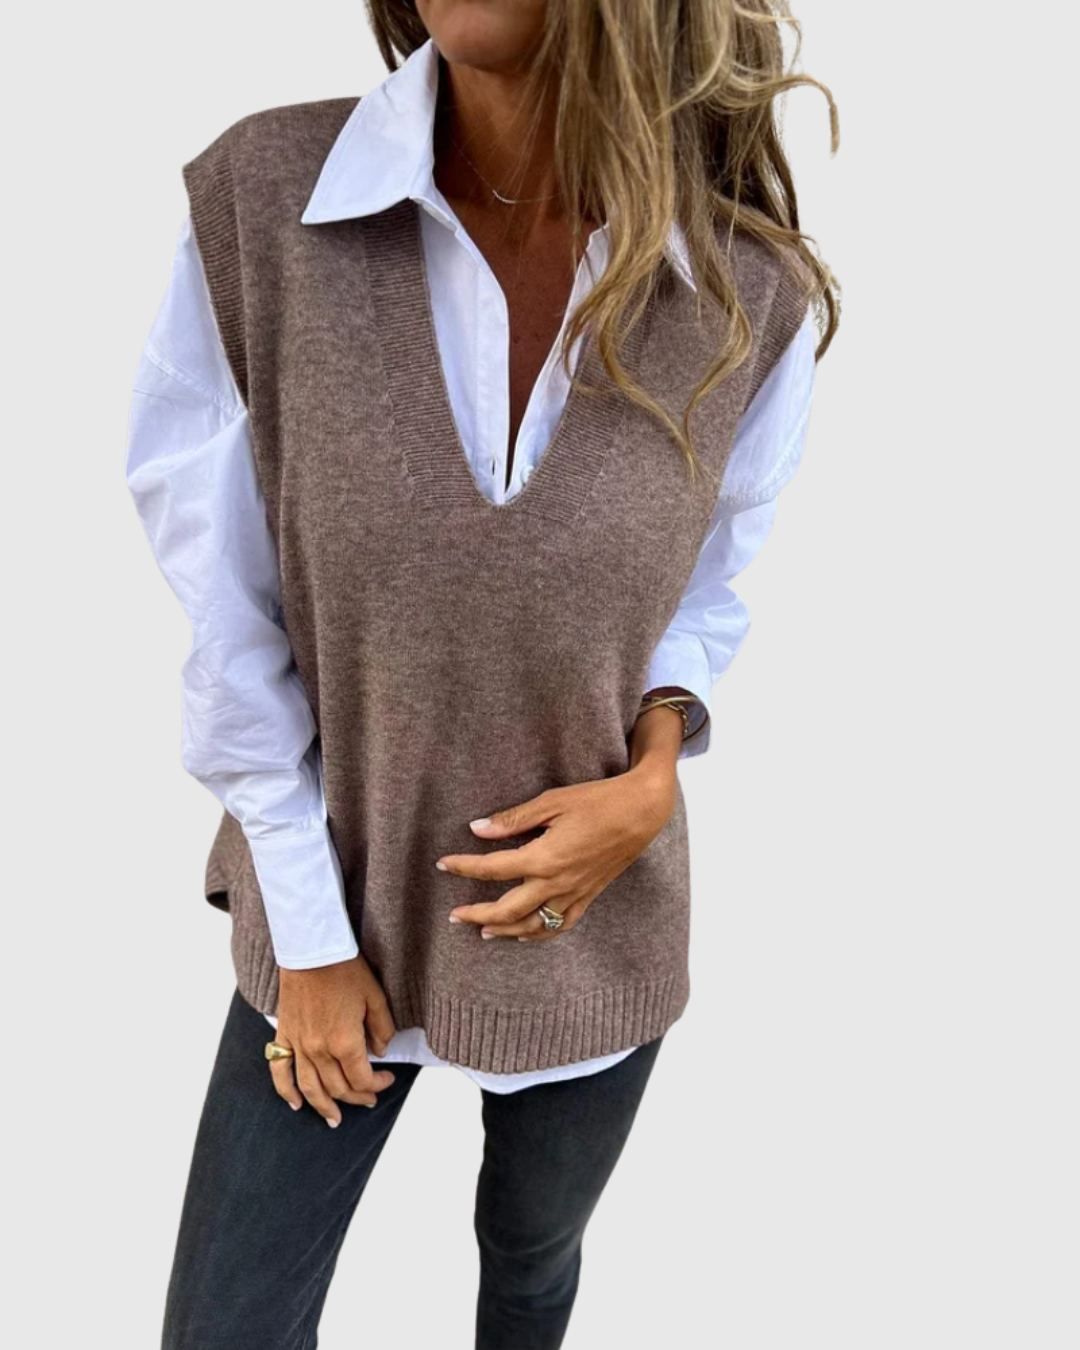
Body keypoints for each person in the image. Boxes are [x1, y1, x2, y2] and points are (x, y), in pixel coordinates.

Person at [125, 2, 839, 1346]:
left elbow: (705, 592)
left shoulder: (745, 292)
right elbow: (225, 615)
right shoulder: (267, 205)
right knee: (227, 1326)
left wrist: (651, 776)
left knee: (530, 1268)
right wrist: (313, 941)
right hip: (332, 909)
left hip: (592, 925)